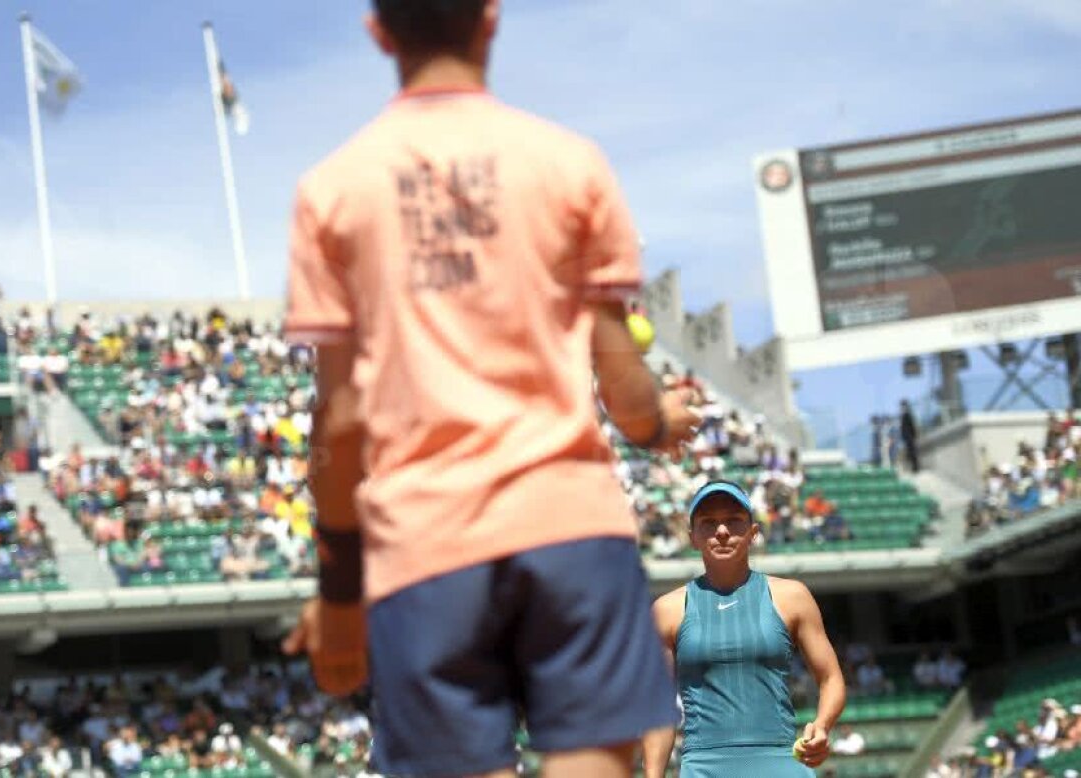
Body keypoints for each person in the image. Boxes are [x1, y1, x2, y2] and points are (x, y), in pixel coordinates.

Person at [280, 2, 701, 776]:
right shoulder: (570, 163)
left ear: (379, 32)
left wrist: (339, 597)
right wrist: (654, 423)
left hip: (425, 543)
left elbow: (339, 420)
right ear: (492, 17)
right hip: (568, 525)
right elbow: (621, 379)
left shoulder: (331, 190)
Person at [642, 481, 846, 778]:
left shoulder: (792, 597)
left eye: (734, 520)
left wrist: (823, 725)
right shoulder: (668, 609)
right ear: (692, 537)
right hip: (704, 769)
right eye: (708, 523)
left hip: (780, 765)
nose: (722, 531)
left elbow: (831, 677)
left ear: (753, 532)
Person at [900, 400, 919, 473]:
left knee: (912, 452)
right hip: (906, 438)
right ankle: (913, 467)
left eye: (903, 406)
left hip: (910, 437)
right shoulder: (903, 415)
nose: (902, 408)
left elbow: (911, 426)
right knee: (910, 453)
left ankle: (915, 467)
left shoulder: (908, 415)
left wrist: (914, 435)